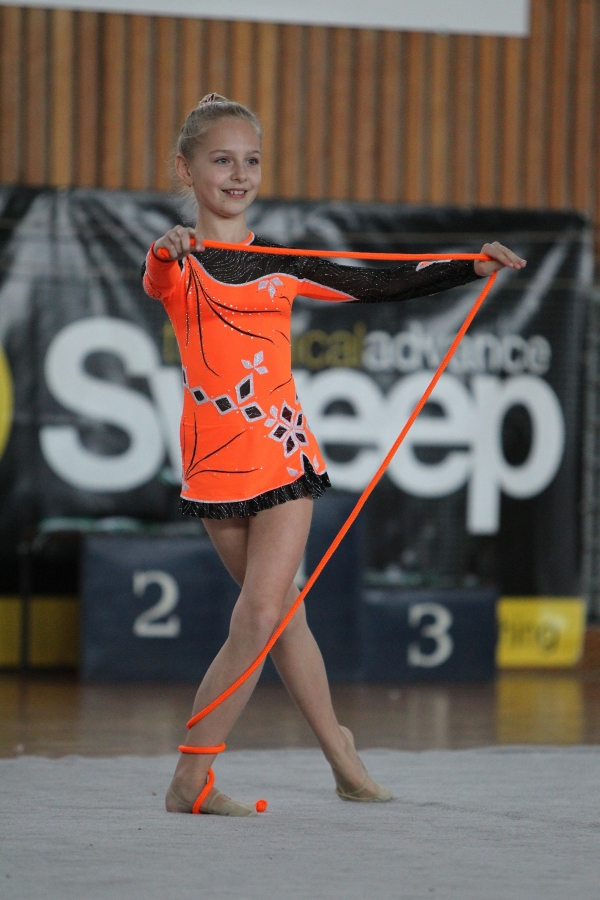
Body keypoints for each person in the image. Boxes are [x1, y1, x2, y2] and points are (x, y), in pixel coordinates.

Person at [142, 93, 527, 817]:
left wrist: (469, 266)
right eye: (222, 160)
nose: (239, 174)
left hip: (283, 453)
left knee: (262, 613)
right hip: (214, 464)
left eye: (251, 160)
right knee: (282, 616)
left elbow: (375, 281)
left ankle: (193, 776)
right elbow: (158, 275)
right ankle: (343, 757)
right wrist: (167, 249)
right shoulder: (180, 264)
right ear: (185, 170)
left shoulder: (282, 263)